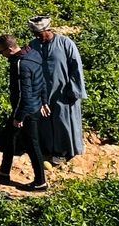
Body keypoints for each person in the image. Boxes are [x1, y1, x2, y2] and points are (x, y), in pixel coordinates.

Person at [0, 34, 50, 191]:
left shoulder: (20, 64)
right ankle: (4, 172)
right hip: (33, 105)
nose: (2, 55)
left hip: (27, 110)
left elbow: (23, 94)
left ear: (10, 49)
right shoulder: (33, 54)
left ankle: (41, 182)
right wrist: (44, 101)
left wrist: (19, 117)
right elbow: (41, 80)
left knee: (32, 145)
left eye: (2, 52)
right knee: (9, 137)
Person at [29, 15, 87, 162]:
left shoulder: (66, 43)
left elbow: (76, 68)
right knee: (45, 122)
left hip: (63, 92)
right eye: (35, 35)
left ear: (48, 30)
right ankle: (48, 150)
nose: (38, 37)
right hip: (43, 92)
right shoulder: (33, 45)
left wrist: (74, 90)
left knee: (64, 121)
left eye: (39, 34)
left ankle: (65, 151)